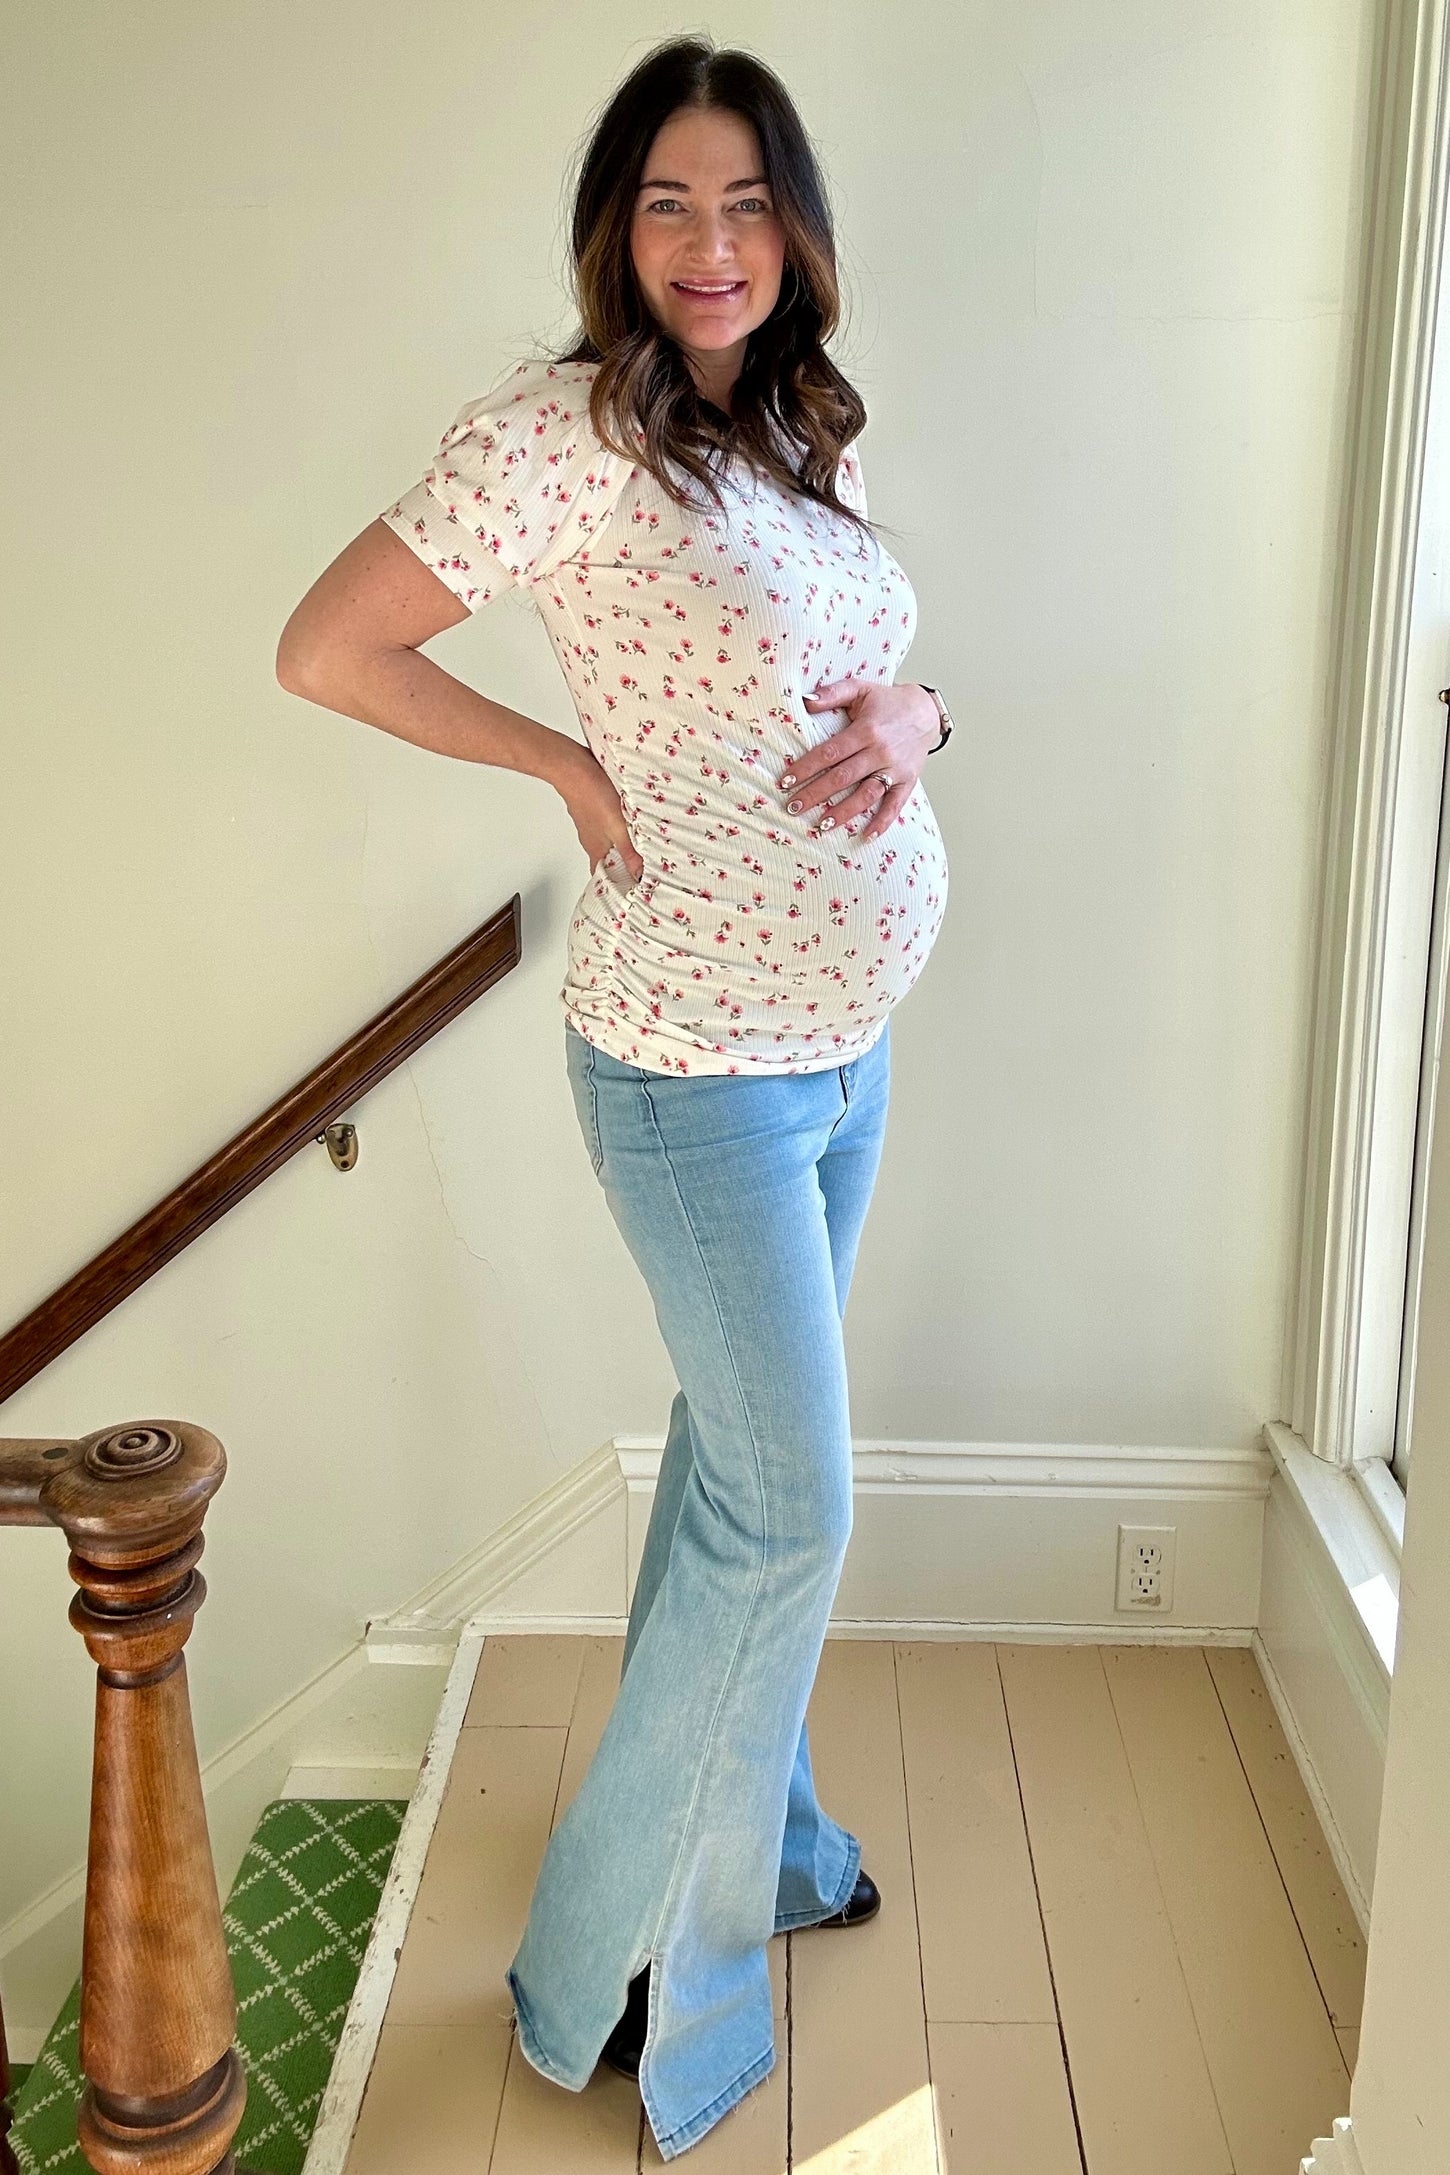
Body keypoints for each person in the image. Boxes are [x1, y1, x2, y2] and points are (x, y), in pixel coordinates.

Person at [276, 32, 952, 2161]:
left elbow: (861, 666)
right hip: (693, 1072)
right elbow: (328, 647)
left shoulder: (804, 423)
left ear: (795, 229)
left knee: (731, 1491)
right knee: (788, 1507)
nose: (708, 242)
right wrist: (562, 766)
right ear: (614, 227)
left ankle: (775, 1839)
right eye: (668, 202)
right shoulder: (560, 436)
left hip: (840, 1045)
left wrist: (922, 716)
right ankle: (612, 1973)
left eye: (745, 202)